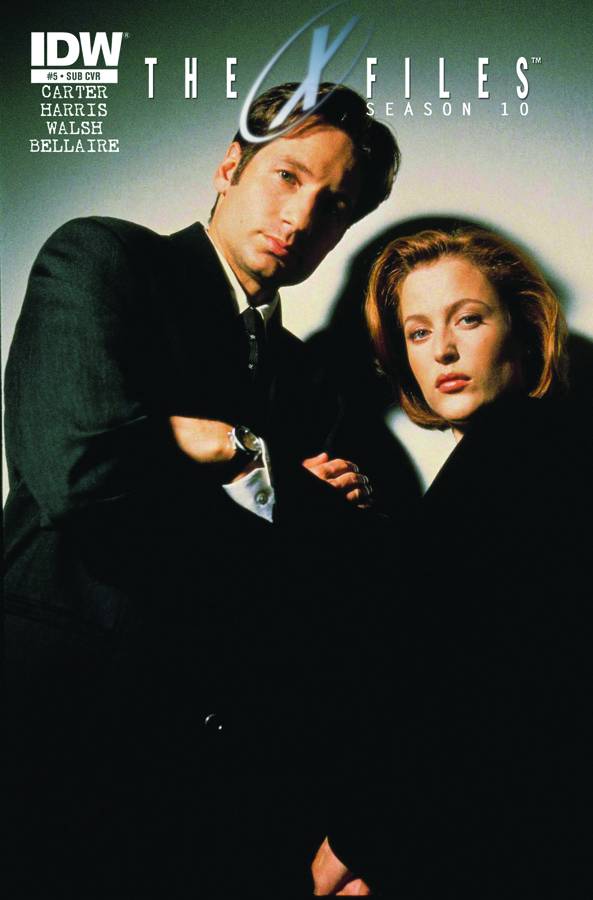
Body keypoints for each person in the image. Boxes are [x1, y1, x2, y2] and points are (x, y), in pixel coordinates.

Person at [3, 82, 400, 897]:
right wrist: (264, 470)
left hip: (213, 772)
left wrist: (211, 449)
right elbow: (79, 476)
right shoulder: (104, 260)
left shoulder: (307, 378)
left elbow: (311, 580)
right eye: (287, 176)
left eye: (333, 205)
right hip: (61, 728)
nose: (302, 216)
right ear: (229, 167)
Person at [313, 228, 591, 896]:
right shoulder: (511, 457)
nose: (442, 349)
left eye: (468, 319)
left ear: (522, 328)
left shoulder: (518, 452)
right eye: (417, 332)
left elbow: (475, 697)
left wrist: (355, 846)